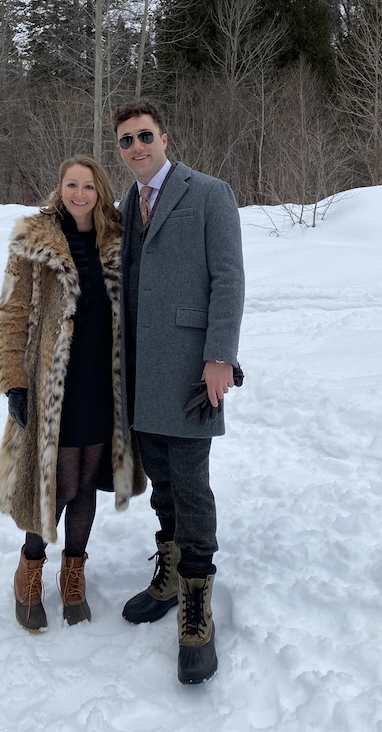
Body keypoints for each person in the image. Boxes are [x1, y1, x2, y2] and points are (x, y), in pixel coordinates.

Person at [113, 101, 244, 684]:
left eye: (144, 136)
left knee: (191, 484)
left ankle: (196, 603)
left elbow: (229, 278)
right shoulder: (126, 205)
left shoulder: (209, 194)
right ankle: (168, 574)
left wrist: (221, 357)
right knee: (162, 479)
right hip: (141, 372)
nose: (136, 147)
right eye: (126, 140)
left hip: (192, 369)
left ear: (165, 138)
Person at [0, 155, 146, 632]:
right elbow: (12, 313)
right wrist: (13, 380)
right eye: (72, 185)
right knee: (57, 482)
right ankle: (30, 569)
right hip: (52, 383)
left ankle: (74, 572)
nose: (80, 194)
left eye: (88, 186)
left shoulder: (117, 238)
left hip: (102, 380)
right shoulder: (34, 241)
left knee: (86, 481)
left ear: (100, 191)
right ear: (60, 188)